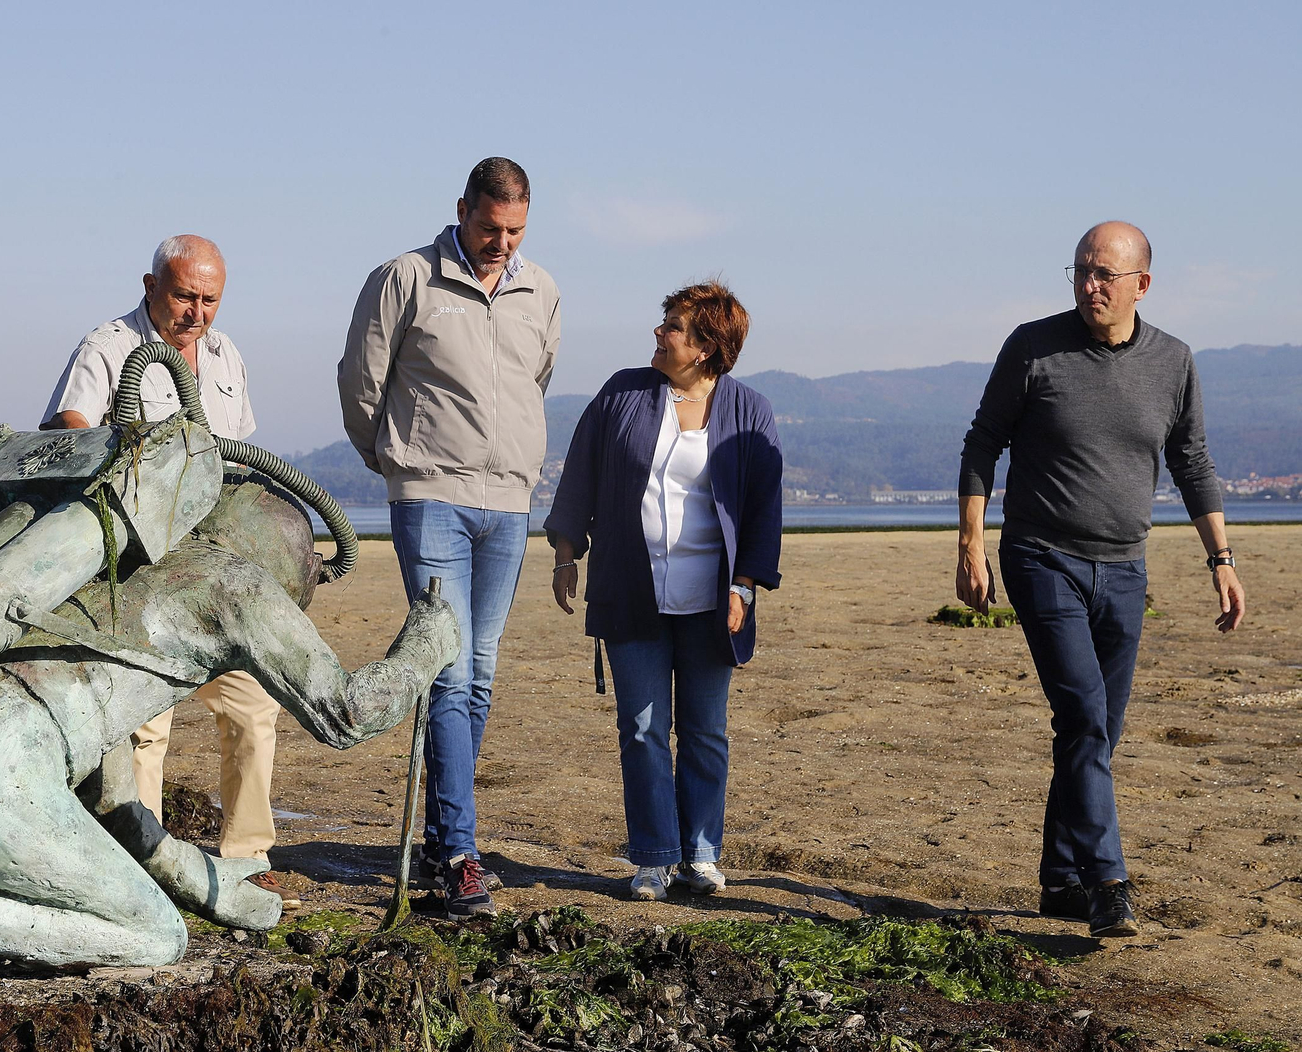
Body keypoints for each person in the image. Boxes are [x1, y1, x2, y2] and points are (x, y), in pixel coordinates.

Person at [957, 221, 1246, 938]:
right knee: (1084, 715)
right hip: (1041, 557)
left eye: (1104, 275)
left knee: (1099, 730)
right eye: (1081, 271)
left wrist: (1222, 560)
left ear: (1141, 284)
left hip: (1124, 568)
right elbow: (983, 442)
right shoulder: (1032, 346)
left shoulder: (1173, 361)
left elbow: (1192, 463)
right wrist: (971, 543)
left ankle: (1060, 880)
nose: (1089, 285)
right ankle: (1107, 882)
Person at [40, 234, 299, 909]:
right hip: (139, 572)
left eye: (210, 300)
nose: (196, 313)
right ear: (151, 286)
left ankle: (248, 855)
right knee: (143, 722)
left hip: (217, 565)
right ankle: (141, 858)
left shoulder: (226, 356)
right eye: (184, 296)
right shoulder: (107, 347)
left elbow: (241, 455)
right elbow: (69, 425)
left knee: (252, 704)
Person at [337, 157, 561, 919]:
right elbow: (362, 382)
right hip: (431, 496)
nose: (502, 243)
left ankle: (442, 843)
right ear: (462, 209)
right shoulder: (404, 278)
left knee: (480, 673)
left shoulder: (542, 289)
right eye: (491, 227)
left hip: (510, 504)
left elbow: (537, 379)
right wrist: (397, 460)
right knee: (451, 674)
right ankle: (463, 855)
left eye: (515, 230)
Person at [544, 281, 783, 902]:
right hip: (631, 590)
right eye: (665, 321)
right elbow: (580, 475)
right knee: (643, 728)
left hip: (713, 600)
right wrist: (567, 554)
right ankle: (653, 856)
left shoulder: (750, 410)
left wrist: (745, 587)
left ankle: (700, 855)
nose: (659, 332)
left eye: (674, 326)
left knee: (705, 730)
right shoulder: (622, 393)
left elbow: (764, 508)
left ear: (705, 347)